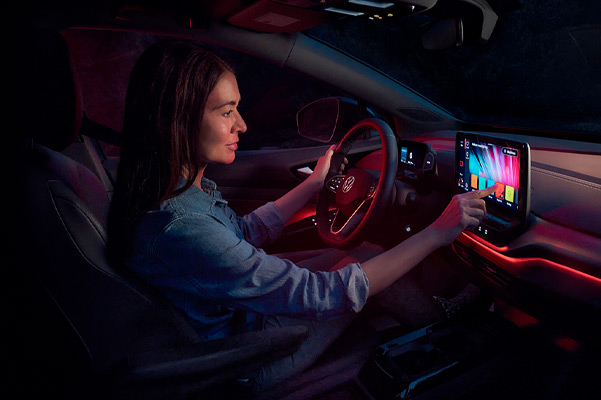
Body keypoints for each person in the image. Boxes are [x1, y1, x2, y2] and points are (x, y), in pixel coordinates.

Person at [107, 40, 496, 391]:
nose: (241, 124)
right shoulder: (180, 225)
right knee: (367, 262)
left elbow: (242, 232)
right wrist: (436, 233)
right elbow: (322, 297)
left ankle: (434, 315)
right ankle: (450, 327)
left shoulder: (178, 189)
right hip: (249, 355)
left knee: (365, 254)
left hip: (239, 318)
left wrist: (313, 186)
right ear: (178, 119)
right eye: (227, 112)